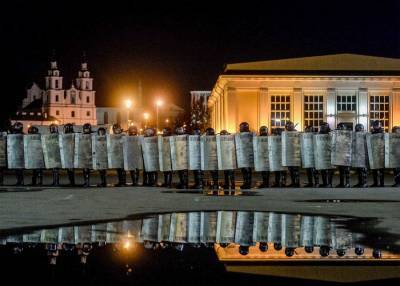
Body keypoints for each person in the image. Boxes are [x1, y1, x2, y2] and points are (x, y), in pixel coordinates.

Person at [334, 123, 351, 188]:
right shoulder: (337, 134)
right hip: (340, 154)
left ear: (344, 127)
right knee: (341, 170)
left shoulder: (348, 134)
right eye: (338, 127)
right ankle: (341, 183)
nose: (339, 128)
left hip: (346, 154)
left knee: (347, 170)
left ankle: (347, 183)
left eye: (341, 127)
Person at [284, 121, 300, 187]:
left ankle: (297, 183)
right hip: (288, 154)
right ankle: (293, 182)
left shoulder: (296, 133)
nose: (289, 127)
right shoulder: (285, 134)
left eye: (290, 126)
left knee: (295, 170)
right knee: (290, 170)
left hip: (295, 154)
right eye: (288, 126)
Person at [318, 122, 333, 187]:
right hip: (322, 153)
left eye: (324, 127)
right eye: (322, 127)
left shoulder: (331, 134)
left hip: (329, 154)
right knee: (323, 169)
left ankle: (329, 183)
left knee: (328, 170)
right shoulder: (320, 133)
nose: (322, 128)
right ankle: (325, 183)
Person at [238, 122, 253, 189]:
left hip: (248, 155)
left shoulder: (251, 135)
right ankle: (245, 183)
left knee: (247, 170)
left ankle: (248, 183)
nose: (239, 129)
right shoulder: (239, 135)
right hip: (242, 155)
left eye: (240, 127)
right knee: (244, 170)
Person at [353, 123, 368, 187]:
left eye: (359, 128)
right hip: (358, 155)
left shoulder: (366, 135)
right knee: (359, 170)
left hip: (364, 155)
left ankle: (364, 183)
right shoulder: (354, 135)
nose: (358, 129)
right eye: (357, 128)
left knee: (363, 170)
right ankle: (360, 182)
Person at [370, 120, 385, 187]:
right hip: (374, 152)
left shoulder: (382, 132)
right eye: (374, 125)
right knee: (375, 169)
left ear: (380, 125)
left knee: (380, 170)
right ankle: (376, 183)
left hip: (381, 152)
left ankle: (381, 183)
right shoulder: (373, 132)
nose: (375, 126)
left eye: (376, 125)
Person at [205, 127, 220, 192]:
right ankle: (215, 184)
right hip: (215, 158)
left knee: (213, 172)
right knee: (214, 172)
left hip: (212, 157)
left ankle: (215, 184)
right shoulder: (217, 138)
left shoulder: (207, 139)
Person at [10, 122, 24, 186]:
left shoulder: (22, 135)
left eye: (16, 126)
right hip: (15, 153)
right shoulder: (13, 134)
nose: (14, 127)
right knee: (16, 169)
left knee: (19, 169)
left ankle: (20, 181)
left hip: (21, 153)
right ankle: (19, 181)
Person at [81, 123, 92, 187]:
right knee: (85, 169)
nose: (86, 130)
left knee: (87, 169)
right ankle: (86, 182)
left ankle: (87, 182)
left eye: (87, 129)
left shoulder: (92, 136)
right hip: (84, 154)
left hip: (90, 155)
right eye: (85, 129)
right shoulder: (82, 136)